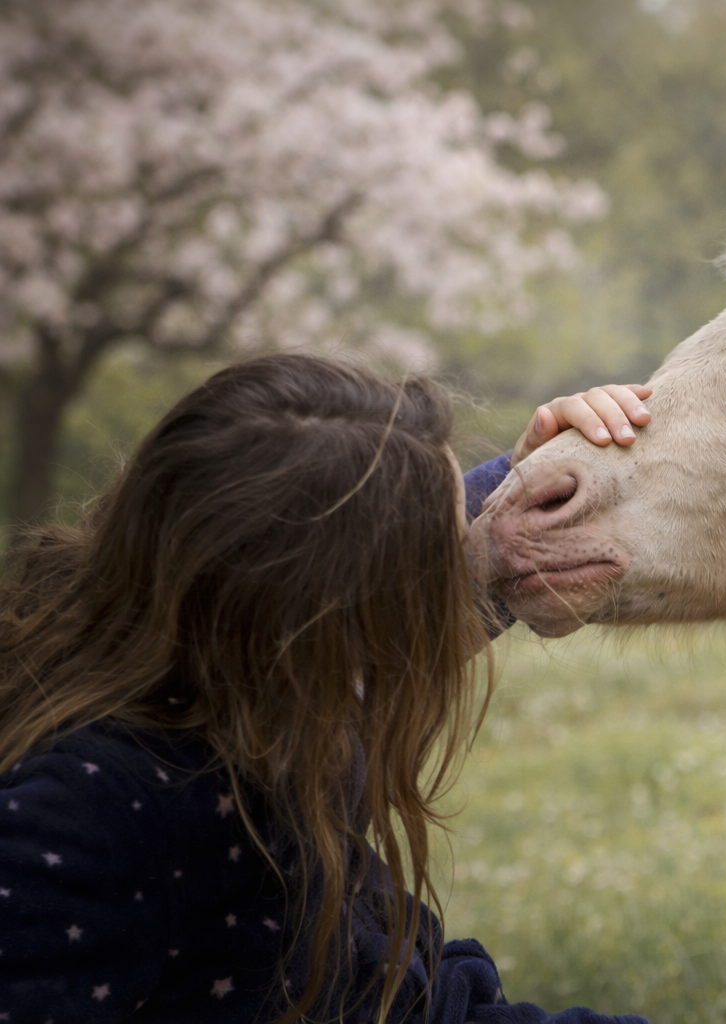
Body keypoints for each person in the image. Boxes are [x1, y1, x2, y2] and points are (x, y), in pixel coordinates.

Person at [0, 354, 653, 1023]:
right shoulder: (89, 819)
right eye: (443, 558)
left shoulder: (233, 674)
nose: (465, 581)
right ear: (328, 624)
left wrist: (525, 489)